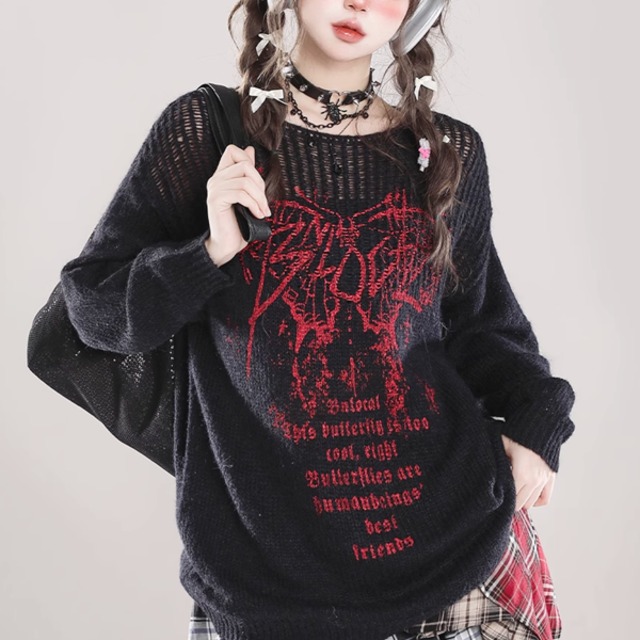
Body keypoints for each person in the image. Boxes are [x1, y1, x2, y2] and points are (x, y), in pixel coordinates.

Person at [57, 0, 576, 638]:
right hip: (267, 574)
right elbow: (92, 313)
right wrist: (208, 251)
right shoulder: (210, 134)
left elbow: (480, 327)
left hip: (454, 548)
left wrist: (536, 424)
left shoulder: (444, 153)